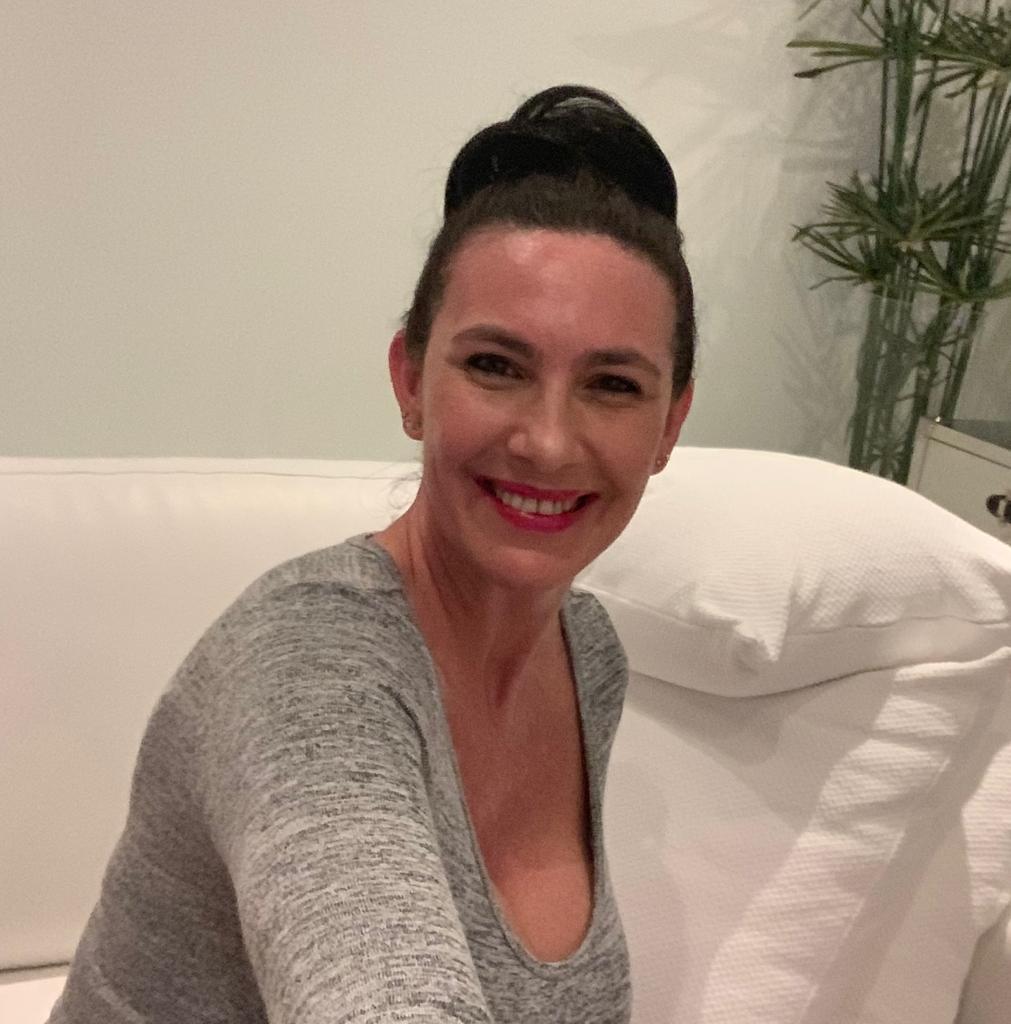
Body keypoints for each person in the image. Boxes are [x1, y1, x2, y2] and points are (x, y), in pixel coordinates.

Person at [49, 84, 695, 1024]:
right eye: (496, 366)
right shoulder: (303, 661)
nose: (548, 442)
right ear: (410, 380)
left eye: (612, 384)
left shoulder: (586, 655)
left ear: (669, 424)